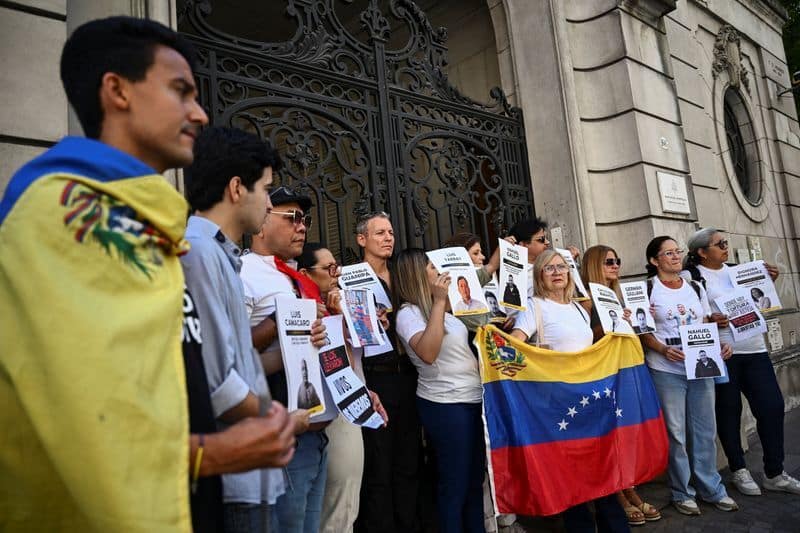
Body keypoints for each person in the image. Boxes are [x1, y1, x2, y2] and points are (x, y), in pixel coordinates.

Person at [0, 17, 296, 531]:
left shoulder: (145, 222)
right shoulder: (67, 210)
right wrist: (213, 453)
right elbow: (75, 411)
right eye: (180, 91)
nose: (199, 114)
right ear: (117, 91)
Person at [182, 125, 298, 530]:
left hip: (255, 471)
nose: (269, 203)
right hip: (235, 478)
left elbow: (240, 364)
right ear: (236, 188)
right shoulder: (199, 254)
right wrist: (279, 415)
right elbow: (217, 385)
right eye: (265, 190)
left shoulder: (222, 255)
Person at [510, 250, 629, 532]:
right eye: (549, 268)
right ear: (539, 275)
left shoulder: (578, 308)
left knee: (603, 470)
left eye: (561, 267)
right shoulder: (533, 307)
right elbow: (514, 345)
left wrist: (618, 323)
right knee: (573, 477)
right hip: (560, 404)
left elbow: (587, 347)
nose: (557, 273)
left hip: (591, 400)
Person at [240, 187, 332, 533]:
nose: (302, 227)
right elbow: (232, 351)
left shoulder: (293, 276)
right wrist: (279, 321)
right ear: (262, 222)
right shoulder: (243, 271)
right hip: (280, 429)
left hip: (314, 430)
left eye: (304, 219)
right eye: (292, 218)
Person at [684, 228, 799, 496]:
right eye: (720, 244)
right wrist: (709, 319)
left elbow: (762, 303)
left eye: (726, 242)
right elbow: (686, 314)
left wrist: (769, 281)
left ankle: (775, 472)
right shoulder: (691, 277)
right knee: (729, 411)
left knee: (772, 407)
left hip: (755, 349)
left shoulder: (738, 270)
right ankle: (739, 469)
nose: (726, 247)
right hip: (724, 354)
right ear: (702, 252)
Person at [640, 236, 737, 516]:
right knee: (676, 433)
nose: (675, 257)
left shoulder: (695, 286)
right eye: (668, 253)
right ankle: (682, 491)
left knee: (705, 429)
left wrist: (719, 346)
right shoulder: (648, 289)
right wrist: (661, 349)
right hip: (666, 370)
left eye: (677, 251)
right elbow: (642, 330)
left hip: (701, 367)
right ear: (654, 260)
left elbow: (705, 322)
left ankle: (711, 487)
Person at [296, 242, 388, 533]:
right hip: (333, 410)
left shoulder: (343, 303)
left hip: (355, 400)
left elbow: (364, 357)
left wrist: (370, 324)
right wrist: (337, 321)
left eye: (337, 267)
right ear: (305, 274)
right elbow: (337, 366)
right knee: (337, 503)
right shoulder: (308, 313)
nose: (336, 274)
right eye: (328, 268)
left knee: (347, 500)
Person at [394, 249, 485, 533]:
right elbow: (428, 353)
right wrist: (438, 302)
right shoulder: (408, 314)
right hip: (446, 405)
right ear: (416, 274)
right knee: (455, 484)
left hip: (473, 399)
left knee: (474, 482)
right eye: (432, 267)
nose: (439, 271)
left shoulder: (445, 311)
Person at [577, 244, 660, 525]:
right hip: (602, 375)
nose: (615, 266)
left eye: (617, 261)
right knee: (610, 435)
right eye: (608, 262)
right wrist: (611, 324)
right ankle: (617, 495)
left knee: (626, 434)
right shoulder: (585, 300)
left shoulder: (619, 294)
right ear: (593, 265)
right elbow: (586, 338)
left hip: (626, 371)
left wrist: (642, 317)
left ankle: (629, 487)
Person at [353, 212, 421, 533]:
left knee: (409, 460)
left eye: (390, 232)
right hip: (375, 378)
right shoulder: (351, 278)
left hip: (408, 375)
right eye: (379, 233)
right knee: (379, 464)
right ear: (362, 239)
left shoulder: (402, 276)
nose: (388, 238)